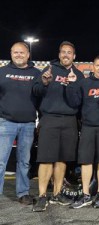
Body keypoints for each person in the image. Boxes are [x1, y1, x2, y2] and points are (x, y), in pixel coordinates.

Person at [32, 41, 84, 212]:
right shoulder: (49, 70)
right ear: (59, 54)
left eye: (69, 52)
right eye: (63, 52)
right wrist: (45, 82)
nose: (66, 55)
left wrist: (72, 85)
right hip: (50, 118)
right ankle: (41, 196)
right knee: (46, 158)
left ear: (74, 56)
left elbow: (78, 102)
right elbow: (36, 91)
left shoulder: (78, 74)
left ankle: (56, 193)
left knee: (62, 158)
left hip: (69, 120)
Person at [66, 55, 99, 209]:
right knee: (86, 161)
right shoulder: (84, 83)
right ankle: (86, 194)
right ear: (93, 66)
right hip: (88, 127)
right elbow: (74, 103)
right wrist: (70, 85)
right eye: (97, 65)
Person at [0, 42, 40, 205]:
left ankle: (23, 193)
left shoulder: (36, 74)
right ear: (11, 53)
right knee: (0, 160)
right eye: (15, 52)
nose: (18, 55)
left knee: (24, 161)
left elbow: (41, 98)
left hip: (28, 124)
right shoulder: (2, 72)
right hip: (5, 123)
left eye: (22, 52)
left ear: (28, 54)